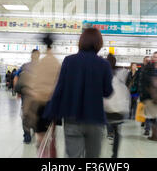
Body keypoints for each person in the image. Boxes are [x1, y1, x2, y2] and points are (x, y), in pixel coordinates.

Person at [43, 28, 113, 158]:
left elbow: (59, 89)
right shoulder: (104, 65)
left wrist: (50, 113)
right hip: (95, 119)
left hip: (72, 118)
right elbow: (108, 92)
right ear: (99, 43)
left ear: (81, 42)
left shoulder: (69, 61)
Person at [23, 35, 61, 148]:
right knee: (51, 134)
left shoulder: (40, 63)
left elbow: (33, 85)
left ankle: (41, 149)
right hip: (52, 104)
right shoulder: (56, 63)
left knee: (40, 136)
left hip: (39, 104)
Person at [104, 53, 128, 158]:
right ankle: (115, 154)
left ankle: (108, 134)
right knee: (117, 131)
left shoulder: (104, 74)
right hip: (119, 109)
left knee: (105, 126)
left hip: (107, 109)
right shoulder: (120, 74)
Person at [15, 49, 40, 144]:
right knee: (36, 112)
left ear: (31, 56)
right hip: (38, 94)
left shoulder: (25, 66)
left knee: (26, 114)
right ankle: (35, 129)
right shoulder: (42, 66)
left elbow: (17, 77)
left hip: (26, 94)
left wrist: (18, 91)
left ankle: (27, 135)